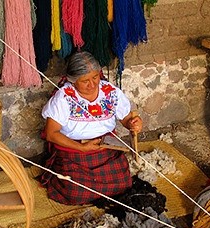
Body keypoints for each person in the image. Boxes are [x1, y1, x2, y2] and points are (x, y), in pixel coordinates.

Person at [40, 51, 143, 205]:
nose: (93, 84)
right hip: (74, 152)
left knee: (123, 184)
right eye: (85, 81)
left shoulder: (110, 92)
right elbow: (51, 134)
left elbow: (126, 118)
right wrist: (81, 148)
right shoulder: (63, 97)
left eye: (95, 77)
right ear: (73, 80)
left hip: (106, 149)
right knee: (75, 193)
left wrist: (133, 123)